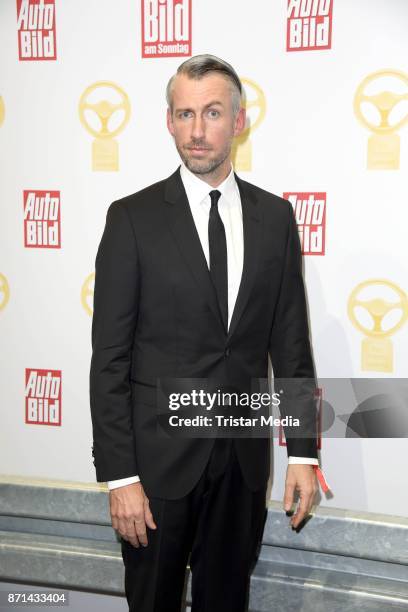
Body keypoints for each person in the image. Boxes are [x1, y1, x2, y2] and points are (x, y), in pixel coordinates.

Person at [90, 54, 322, 612]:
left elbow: (290, 345)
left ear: (238, 121)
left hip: (241, 468)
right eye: (185, 113)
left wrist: (303, 454)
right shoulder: (132, 219)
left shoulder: (276, 219)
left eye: (212, 113)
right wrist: (119, 476)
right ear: (169, 120)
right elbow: (110, 359)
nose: (197, 130)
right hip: (156, 472)